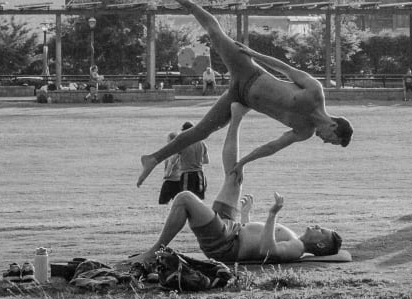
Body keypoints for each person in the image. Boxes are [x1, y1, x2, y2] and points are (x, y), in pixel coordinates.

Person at [137, 0, 352, 188]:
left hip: (240, 97)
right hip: (248, 71)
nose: (325, 142)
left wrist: (243, 162)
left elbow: (273, 146)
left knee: (202, 131)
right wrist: (253, 54)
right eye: (332, 140)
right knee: (215, 33)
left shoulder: (305, 131)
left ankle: (153, 159)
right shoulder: (315, 93)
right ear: (334, 127)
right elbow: (285, 69)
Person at [131, 103, 343, 265]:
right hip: (232, 229)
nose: (317, 226)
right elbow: (256, 239)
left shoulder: (296, 247)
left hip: (226, 243)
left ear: (321, 244)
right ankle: (237, 117)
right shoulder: (294, 238)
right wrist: (246, 216)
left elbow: (267, 251)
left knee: (184, 198)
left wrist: (272, 214)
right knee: (235, 176)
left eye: (321, 230)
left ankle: (154, 252)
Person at [176, 120, 209, 199]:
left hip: (187, 174)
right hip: (200, 174)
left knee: (186, 198)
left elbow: (174, 159)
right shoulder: (202, 143)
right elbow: (206, 160)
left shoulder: (183, 144)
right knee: (198, 200)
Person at [157, 131, 183, 205]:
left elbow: (171, 163)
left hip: (171, 180)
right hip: (179, 180)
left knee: (162, 202)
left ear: (172, 140)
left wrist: (167, 174)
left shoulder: (173, 151)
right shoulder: (181, 149)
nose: (166, 140)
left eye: (168, 139)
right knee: (179, 203)